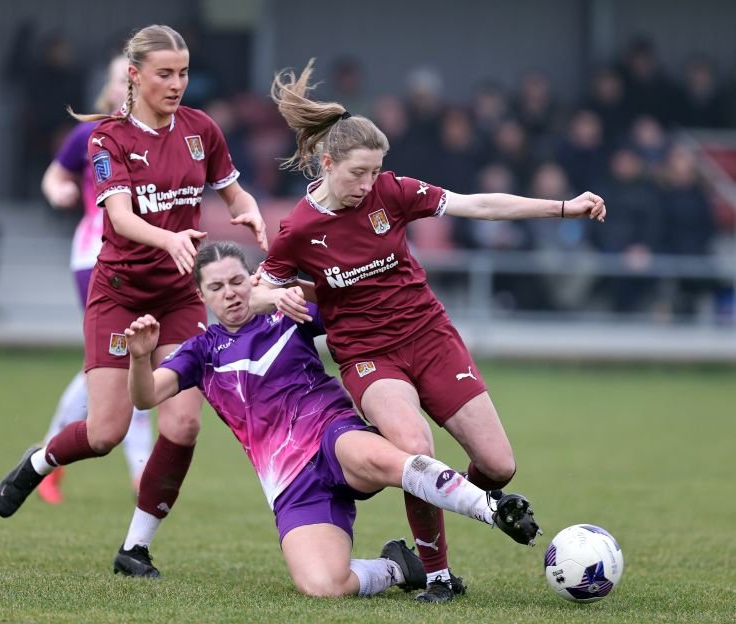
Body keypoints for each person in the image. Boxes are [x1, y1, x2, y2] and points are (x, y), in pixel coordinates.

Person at [257, 59, 606, 603]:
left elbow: (477, 204)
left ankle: (462, 496)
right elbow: (257, 288)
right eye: (357, 174)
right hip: (369, 355)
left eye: (375, 172)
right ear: (326, 163)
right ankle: (437, 573)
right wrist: (273, 293)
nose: (367, 185)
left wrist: (562, 209)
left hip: (430, 336)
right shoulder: (298, 230)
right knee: (415, 447)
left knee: (498, 465)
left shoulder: (392, 193)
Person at [0, 25, 268, 572]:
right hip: (119, 294)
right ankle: (40, 459)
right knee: (105, 432)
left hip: (180, 299)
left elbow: (231, 187)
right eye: (165, 74)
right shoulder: (107, 138)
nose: (177, 84)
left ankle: (136, 547)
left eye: (183, 73)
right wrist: (167, 237)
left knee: (183, 424)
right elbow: (118, 216)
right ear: (135, 75)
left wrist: (248, 208)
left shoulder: (201, 129)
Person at [118, 240, 523, 598]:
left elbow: (355, 310)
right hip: (290, 483)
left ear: (253, 277)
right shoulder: (201, 351)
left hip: (332, 435)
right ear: (200, 294)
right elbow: (147, 395)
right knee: (323, 585)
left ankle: (490, 508)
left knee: (394, 461)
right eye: (217, 287)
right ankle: (400, 566)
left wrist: (295, 291)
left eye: (237, 281)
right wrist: (139, 357)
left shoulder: (286, 312)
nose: (231, 294)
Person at [35, 54, 153, 504]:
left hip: (148, 260)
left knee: (128, 360)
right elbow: (56, 175)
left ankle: (51, 457)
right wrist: (58, 190)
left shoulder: (168, 135)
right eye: (121, 80)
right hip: (96, 255)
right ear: (108, 87)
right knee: (116, 360)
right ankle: (137, 470)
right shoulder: (90, 134)